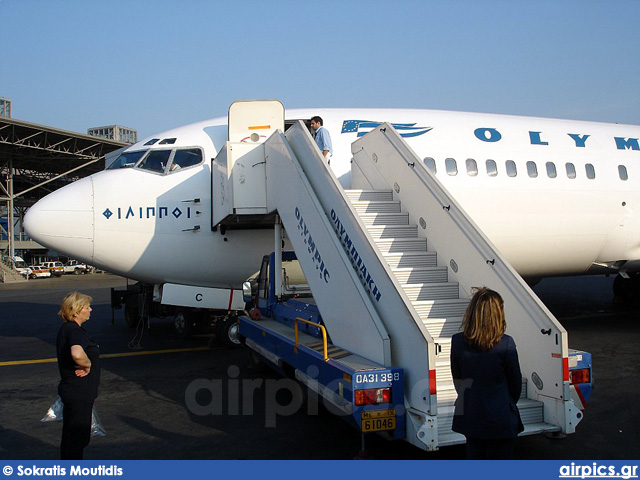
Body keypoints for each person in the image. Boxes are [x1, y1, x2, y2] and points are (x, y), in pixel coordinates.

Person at [450, 287, 524, 459]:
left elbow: (458, 379)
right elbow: (515, 384)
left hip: (471, 415)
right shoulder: (506, 344)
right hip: (500, 417)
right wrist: (506, 404)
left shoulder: (458, 341)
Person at [56, 291, 100, 460]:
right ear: (76, 311)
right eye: (87, 307)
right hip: (80, 393)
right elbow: (76, 353)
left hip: (72, 391)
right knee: (78, 439)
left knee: (69, 436)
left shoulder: (66, 329)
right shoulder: (75, 331)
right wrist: (87, 364)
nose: (91, 310)